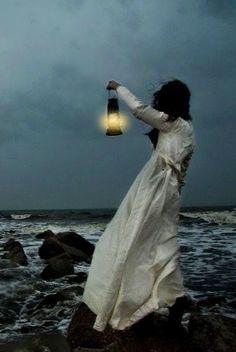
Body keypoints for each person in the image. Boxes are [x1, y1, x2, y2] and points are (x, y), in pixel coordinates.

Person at [82, 79, 195, 333]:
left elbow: (139, 109)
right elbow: (182, 169)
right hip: (164, 189)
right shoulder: (183, 128)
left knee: (138, 241)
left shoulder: (174, 125)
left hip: (156, 188)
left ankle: (151, 300)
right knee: (159, 243)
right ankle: (170, 299)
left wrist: (118, 87)